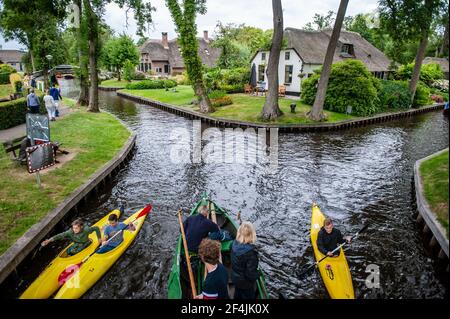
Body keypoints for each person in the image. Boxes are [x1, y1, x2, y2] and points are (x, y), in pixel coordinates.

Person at [231, 222, 259, 299]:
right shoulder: (251, 253)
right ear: (251, 235)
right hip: (245, 284)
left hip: (235, 278)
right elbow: (250, 274)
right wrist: (258, 274)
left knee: (237, 294)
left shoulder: (234, 244)